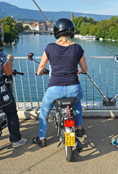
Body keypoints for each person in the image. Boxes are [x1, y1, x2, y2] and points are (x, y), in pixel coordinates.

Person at [33, 18, 88, 147]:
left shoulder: (50, 47)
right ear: (71, 31)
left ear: (56, 31)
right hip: (74, 88)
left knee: (44, 112)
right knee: (78, 104)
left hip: (54, 89)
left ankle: (41, 138)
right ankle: (79, 129)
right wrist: (78, 71)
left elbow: (41, 67)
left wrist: (39, 73)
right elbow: (84, 69)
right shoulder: (77, 48)